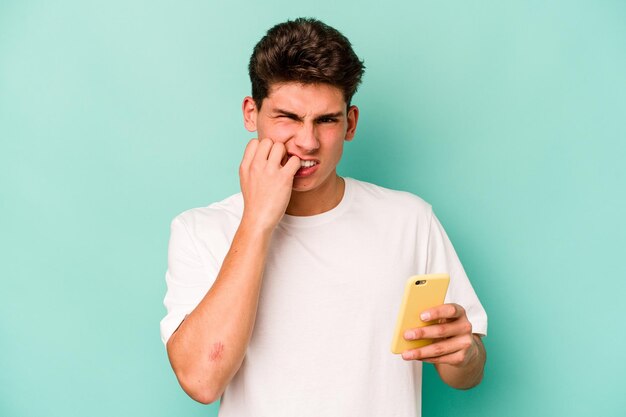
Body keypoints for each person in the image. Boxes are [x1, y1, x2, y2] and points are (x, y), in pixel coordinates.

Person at [160, 17, 487, 416]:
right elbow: (201, 380)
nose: (307, 142)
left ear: (349, 123)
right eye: (288, 117)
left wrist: (464, 354)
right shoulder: (200, 231)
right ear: (251, 113)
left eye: (326, 120)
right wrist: (258, 221)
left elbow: (466, 372)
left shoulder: (409, 220)